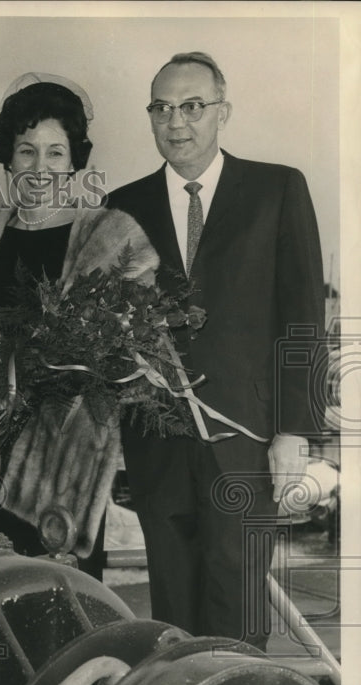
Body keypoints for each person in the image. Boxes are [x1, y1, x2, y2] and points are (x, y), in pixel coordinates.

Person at [0, 74, 159, 579]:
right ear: (8, 158)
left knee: (66, 603)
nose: (41, 167)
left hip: (66, 465)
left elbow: (135, 349)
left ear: (75, 159)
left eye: (55, 152)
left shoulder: (113, 238)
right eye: (26, 151)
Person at [107, 52, 325, 648]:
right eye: (161, 108)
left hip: (246, 440)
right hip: (156, 444)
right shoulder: (121, 207)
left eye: (192, 107)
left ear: (222, 112)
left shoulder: (276, 188)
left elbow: (302, 316)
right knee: (171, 610)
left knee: (239, 603)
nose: (175, 122)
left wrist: (293, 430)